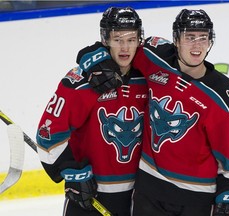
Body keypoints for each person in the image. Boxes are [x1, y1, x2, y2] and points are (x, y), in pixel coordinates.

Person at [76, 8, 229, 216]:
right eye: (189, 37)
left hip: (197, 199)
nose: (197, 44)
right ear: (175, 39)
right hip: (149, 194)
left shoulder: (223, 95)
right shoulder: (154, 57)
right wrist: (91, 56)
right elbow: (120, 43)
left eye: (203, 38)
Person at [36, 7, 148, 216]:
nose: (125, 47)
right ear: (105, 39)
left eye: (131, 39)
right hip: (92, 196)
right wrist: (71, 171)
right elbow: (47, 134)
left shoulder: (149, 79)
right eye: (117, 39)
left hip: (138, 197)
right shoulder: (81, 82)